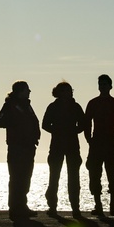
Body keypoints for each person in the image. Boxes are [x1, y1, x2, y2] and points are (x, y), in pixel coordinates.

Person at [0, 81, 40, 219]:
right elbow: (0, 121)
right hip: (16, 147)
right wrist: (16, 124)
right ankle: (15, 208)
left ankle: (22, 205)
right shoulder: (10, 105)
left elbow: (33, 122)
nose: (29, 91)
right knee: (16, 178)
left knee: (26, 177)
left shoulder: (27, 105)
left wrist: (34, 136)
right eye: (27, 89)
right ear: (20, 91)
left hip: (28, 147)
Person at [41, 81, 86, 216]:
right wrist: (59, 131)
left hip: (71, 145)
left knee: (73, 177)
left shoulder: (75, 107)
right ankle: (53, 206)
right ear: (59, 93)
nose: (69, 93)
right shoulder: (53, 107)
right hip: (57, 145)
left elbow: (83, 123)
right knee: (54, 176)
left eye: (70, 90)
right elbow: (45, 124)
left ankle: (75, 207)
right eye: (66, 90)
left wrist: (73, 131)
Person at [83, 74, 114, 215]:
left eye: (105, 84)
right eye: (101, 84)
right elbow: (86, 122)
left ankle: (113, 206)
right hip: (97, 143)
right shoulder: (93, 103)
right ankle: (98, 205)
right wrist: (89, 139)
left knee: (113, 174)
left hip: (111, 143)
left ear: (110, 86)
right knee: (94, 174)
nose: (103, 86)